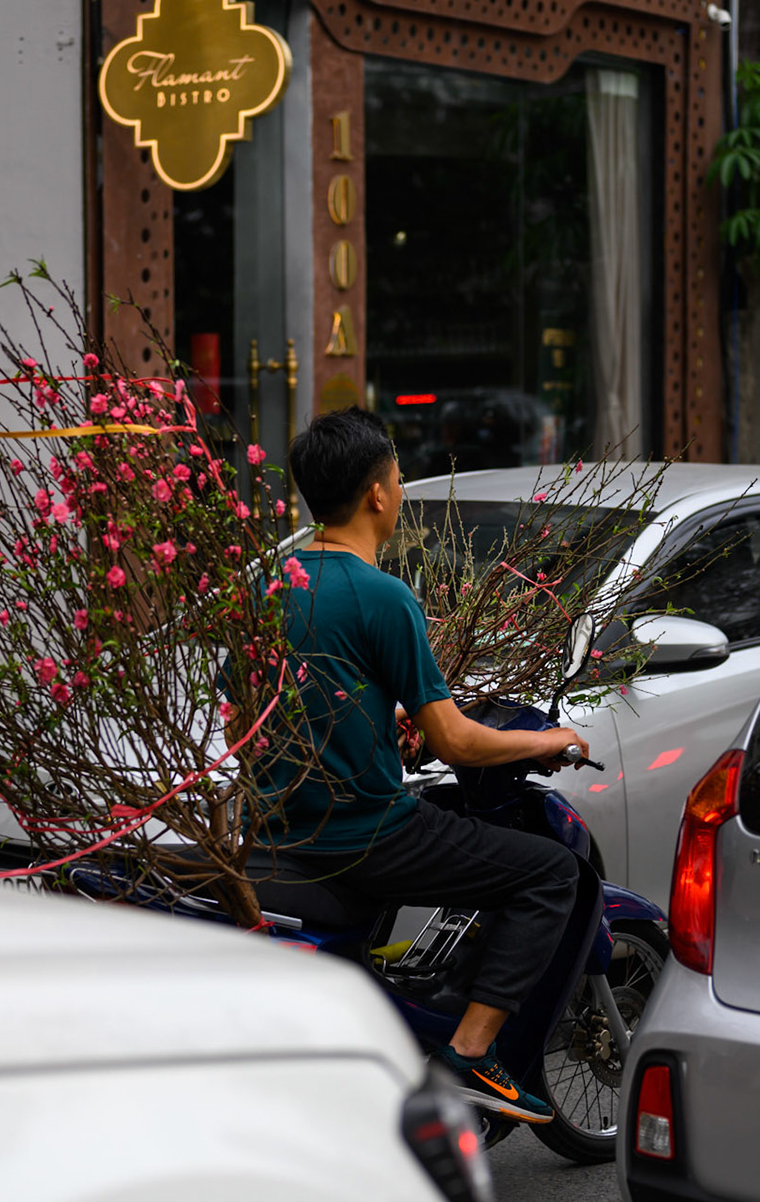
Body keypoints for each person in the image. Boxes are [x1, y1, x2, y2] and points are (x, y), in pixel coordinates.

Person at [243, 406, 586, 1125]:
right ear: (377, 493)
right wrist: (544, 741)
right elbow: (456, 742)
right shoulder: (384, 596)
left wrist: (374, 728)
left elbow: (252, 717)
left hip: (276, 830)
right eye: (398, 478)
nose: (400, 490)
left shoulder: (267, 586)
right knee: (551, 872)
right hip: (368, 836)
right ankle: (469, 1053)